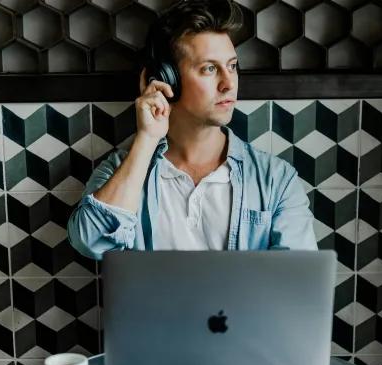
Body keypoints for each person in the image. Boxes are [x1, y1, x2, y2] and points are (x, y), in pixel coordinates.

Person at [67, 0, 317, 260]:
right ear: (166, 79)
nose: (229, 83)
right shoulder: (122, 169)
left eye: (232, 66)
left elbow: (295, 287)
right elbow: (91, 243)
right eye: (209, 68)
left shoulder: (276, 180)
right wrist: (147, 139)